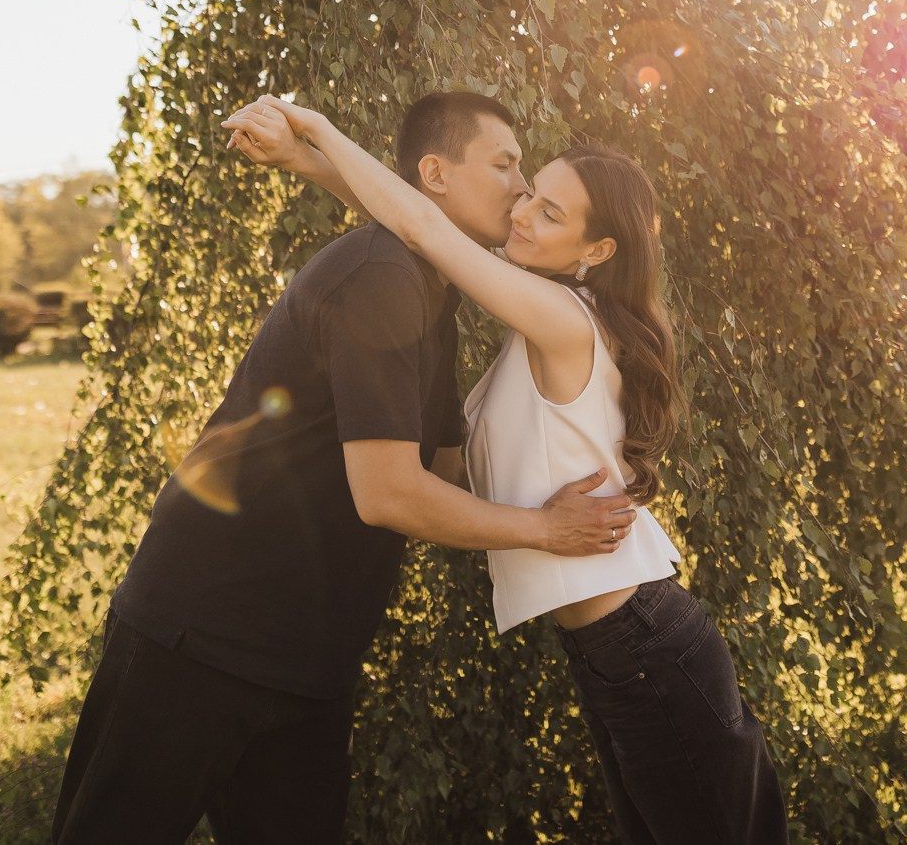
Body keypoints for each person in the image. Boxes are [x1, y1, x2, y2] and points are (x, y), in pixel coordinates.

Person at [51, 92, 640, 845]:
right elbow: (390, 492)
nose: (522, 188)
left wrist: (305, 158)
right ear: (435, 174)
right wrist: (545, 530)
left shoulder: (430, 284)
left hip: (307, 656)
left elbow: (449, 466)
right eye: (505, 164)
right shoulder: (380, 279)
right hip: (201, 631)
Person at [225, 95, 788, 845]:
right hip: (616, 651)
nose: (522, 213)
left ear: (596, 250)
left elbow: (424, 222)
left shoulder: (564, 319)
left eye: (550, 213)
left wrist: (317, 127)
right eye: (528, 193)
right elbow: (418, 225)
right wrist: (304, 164)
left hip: (646, 645)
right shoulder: (548, 306)